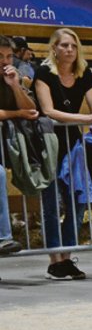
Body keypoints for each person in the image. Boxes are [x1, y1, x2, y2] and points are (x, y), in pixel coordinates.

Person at [33, 28, 92, 281]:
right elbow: (48, 110)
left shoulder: (83, 72)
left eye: (73, 46)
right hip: (49, 141)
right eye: (64, 45)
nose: (69, 50)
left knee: (76, 199)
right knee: (51, 202)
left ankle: (67, 255)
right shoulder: (43, 72)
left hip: (73, 141)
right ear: (54, 48)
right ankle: (55, 259)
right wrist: (87, 117)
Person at [0, 35, 39, 259]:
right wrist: (16, 114)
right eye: (0, 57)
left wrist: (15, 87)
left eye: (8, 57)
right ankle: (4, 237)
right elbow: (22, 113)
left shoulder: (15, 78)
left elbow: (31, 110)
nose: (5, 62)